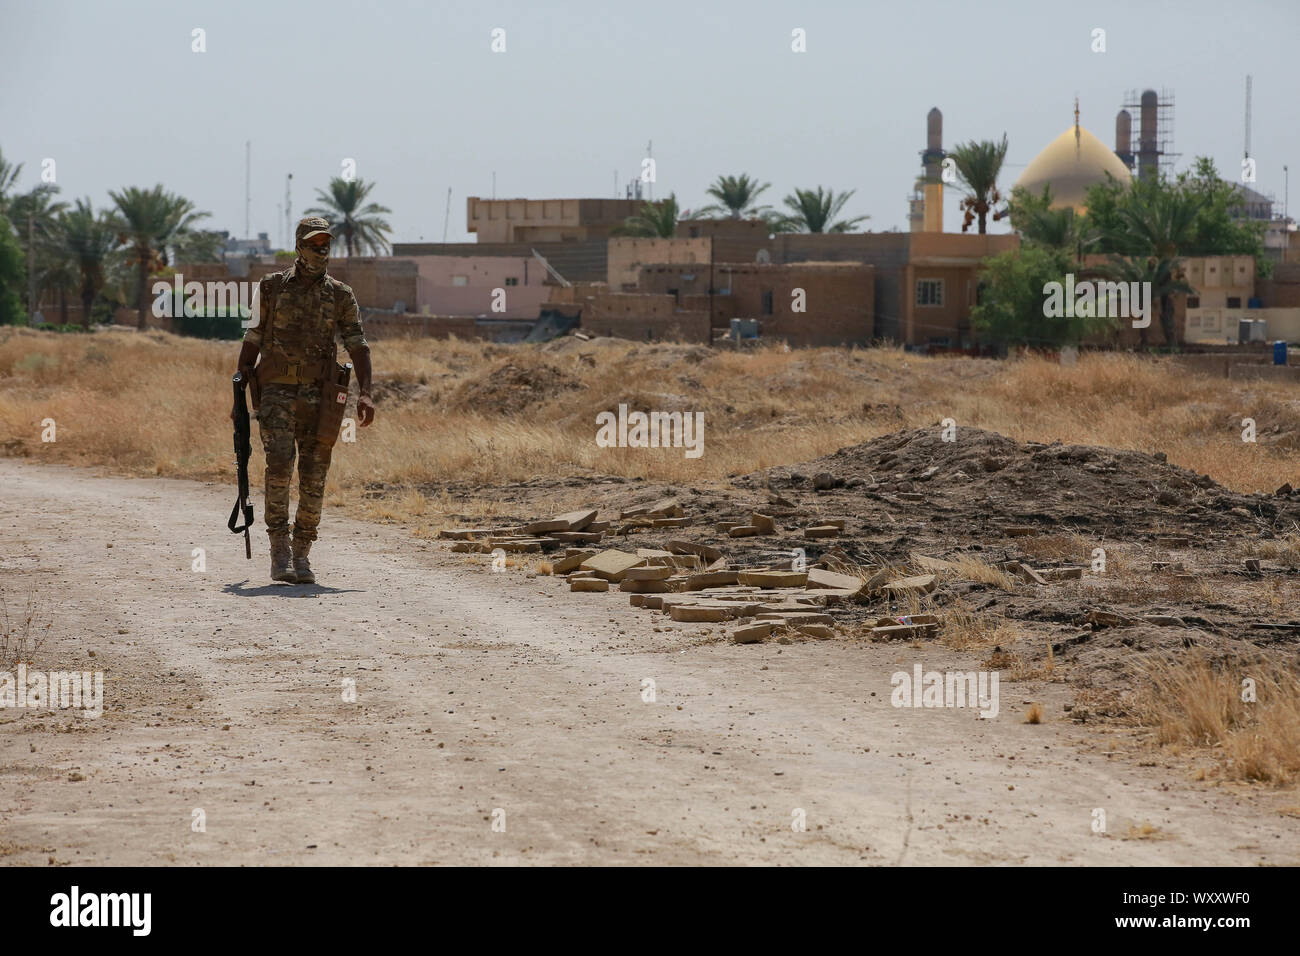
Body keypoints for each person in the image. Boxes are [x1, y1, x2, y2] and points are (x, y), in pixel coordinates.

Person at [232, 216, 375, 583]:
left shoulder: (340, 294)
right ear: (299, 246)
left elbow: (358, 344)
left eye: (326, 243)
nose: (321, 250)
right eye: (313, 244)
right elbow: (253, 337)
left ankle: (302, 553)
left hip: (320, 398)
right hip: (277, 393)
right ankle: (279, 550)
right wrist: (239, 391)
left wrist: (367, 393)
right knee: (279, 469)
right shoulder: (271, 288)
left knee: (315, 477)